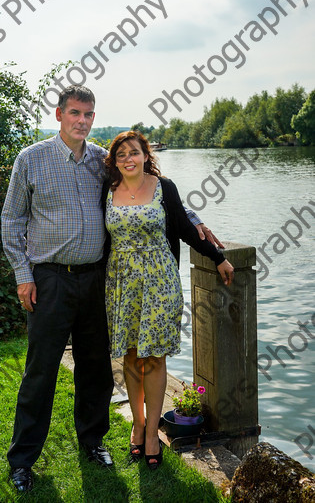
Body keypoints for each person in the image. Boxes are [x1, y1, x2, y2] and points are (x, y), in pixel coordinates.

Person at [1, 85, 226, 491]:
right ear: (59, 115)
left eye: (88, 114)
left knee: (96, 369)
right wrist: (23, 275)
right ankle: (22, 460)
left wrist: (194, 220)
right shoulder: (30, 160)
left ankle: (93, 441)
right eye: (75, 113)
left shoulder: (99, 161)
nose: (82, 121)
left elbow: (148, 188)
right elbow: (11, 221)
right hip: (49, 278)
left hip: (97, 280)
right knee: (40, 372)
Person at [103, 131, 234, 470]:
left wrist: (217, 256)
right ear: (114, 161)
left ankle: (151, 436)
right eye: (121, 155)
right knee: (131, 356)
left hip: (160, 283)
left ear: (146, 156)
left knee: (154, 358)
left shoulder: (165, 188)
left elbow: (185, 229)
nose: (128, 159)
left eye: (134, 152)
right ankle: (138, 423)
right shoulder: (107, 189)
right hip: (122, 285)